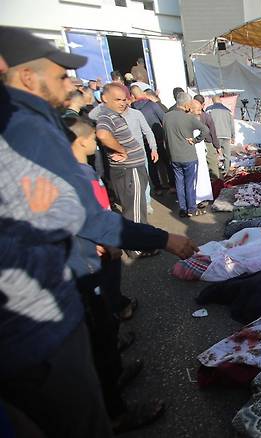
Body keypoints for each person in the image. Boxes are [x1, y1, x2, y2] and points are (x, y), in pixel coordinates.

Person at [0, 26, 197, 438]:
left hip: (40, 299)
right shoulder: (26, 129)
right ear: (26, 77)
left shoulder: (29, 122)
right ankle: (112, 413)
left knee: (89, 368)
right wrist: (165, 238)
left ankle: (110, 392)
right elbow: (81, 216)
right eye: (61, 76)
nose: (71, 83)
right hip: (38, 314)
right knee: (78, 416)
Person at [67, 117, 164, 433]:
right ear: (81, 141)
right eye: (93, 136)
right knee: (98, 331)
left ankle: (113, 374)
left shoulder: (78, 173)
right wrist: (164, 239)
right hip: (86, 265)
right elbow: (99, 220)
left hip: (93, 260)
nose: (97, 140)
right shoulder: (71, 178)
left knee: (105, 326)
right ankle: (115, 412)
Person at [95, 83, 152, 229]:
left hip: (129, 169)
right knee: (136, 210)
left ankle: (137, 243)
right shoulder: (106, 116)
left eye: (124, 99)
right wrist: (122, 150)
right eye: (117, 100)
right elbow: (102, 134)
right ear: (104, 98)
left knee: (132, 208)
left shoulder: (111, 115)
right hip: (130, 169)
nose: (122, 103)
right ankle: (139, 247)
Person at [163, 92, 210, 217]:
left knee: (179, 183)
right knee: (190, 184)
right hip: (188, 156)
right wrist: (195, 140)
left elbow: (165, 136)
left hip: (174, 156)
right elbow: (205, 130)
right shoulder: (188, 118)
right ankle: (192, 209)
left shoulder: (166, 117)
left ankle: (182, 209)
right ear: (187, 104)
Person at [131, 85, 168, 191]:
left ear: (132, 96)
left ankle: (157, 187)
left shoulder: (132, 109)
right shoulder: (152, 105)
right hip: (158, 137)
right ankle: (172, 186)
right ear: (142, 93)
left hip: (144, 140)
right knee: (166, 161)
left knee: (152, 165)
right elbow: (164, 119)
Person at [189, 99, 214, 205]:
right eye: (198, 110)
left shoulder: (197, 120)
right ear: (190, 109)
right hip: (193, 153)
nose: (200, 112)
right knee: (196, 174)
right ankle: (198, 197)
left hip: (199, 151)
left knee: (202, 172)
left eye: (200, 110)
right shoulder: (189, 121)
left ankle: (204, 196)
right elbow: (206, 130)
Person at [193, 94, 222, 180]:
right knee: (212, 165)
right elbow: (212, 132)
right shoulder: (206, 116)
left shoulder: (189, 116)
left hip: (196, 143)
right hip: (206, 142)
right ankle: (216, 183)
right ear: (203, 105)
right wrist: (217, 146)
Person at [207, 94, 235, 177]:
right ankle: (226, 171)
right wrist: (233, 136)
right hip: (226, 135)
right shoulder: (228, 110)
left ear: (213, 101)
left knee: (214, 155)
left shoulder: (209, 110)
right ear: (220, 100)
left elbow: (207, 123)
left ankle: (215, 174)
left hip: (215, 135)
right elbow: (232, 124)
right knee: (227, 155)